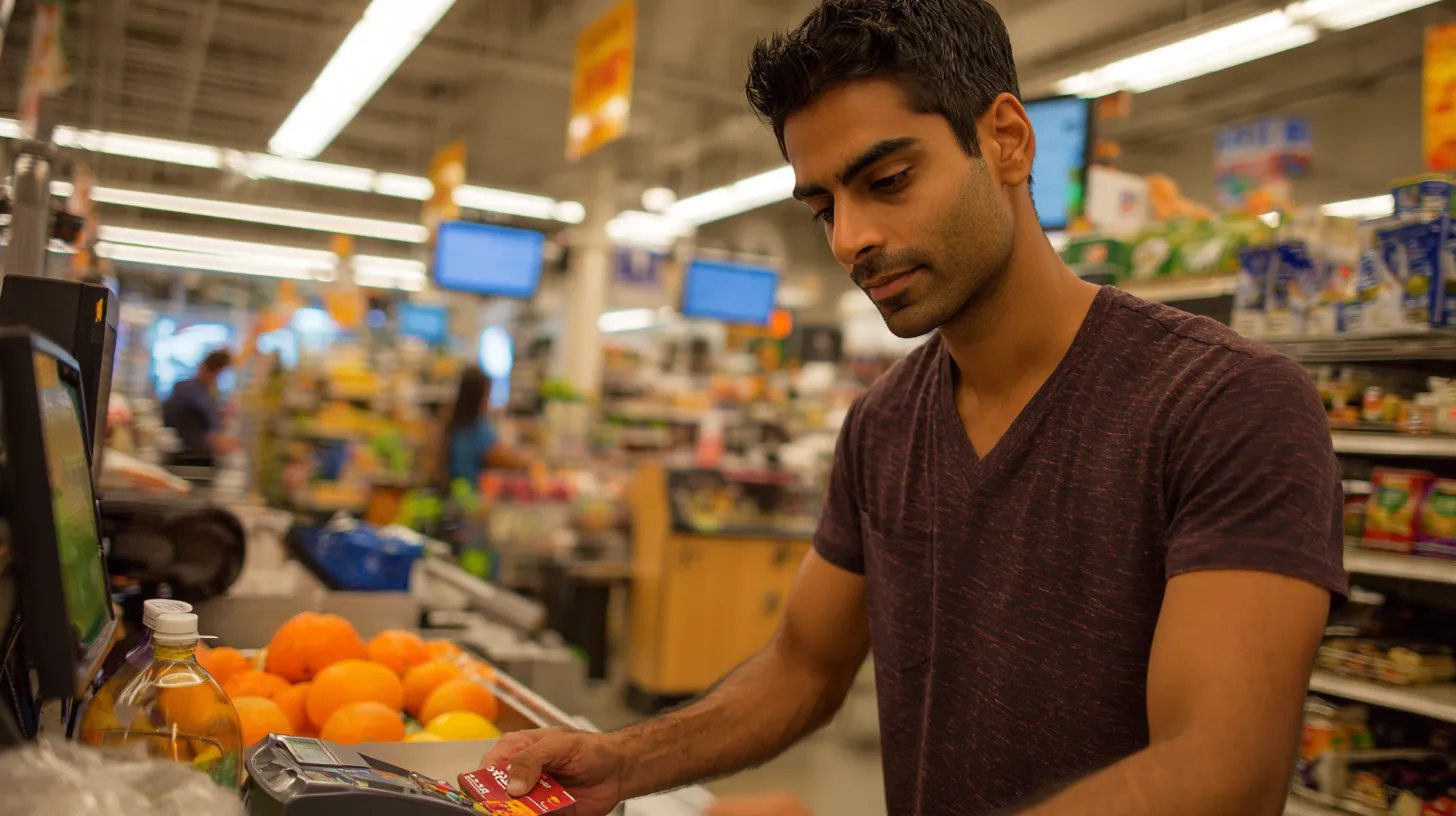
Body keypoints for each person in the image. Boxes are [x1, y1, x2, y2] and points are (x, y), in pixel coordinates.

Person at [483, 2, 1344, 815]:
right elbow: (804, 668)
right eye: (824, 206)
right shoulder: (884, 425)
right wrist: (624, 760)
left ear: (1005, 139)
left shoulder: (1224, 403)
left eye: (887, 180)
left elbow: (1223, 769)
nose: (850, 238)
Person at [441, 367, 529, 485]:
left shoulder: (454, 422)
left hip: (456, 491)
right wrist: (531, 463)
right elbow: (505, 459)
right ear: (480, 397)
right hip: (471, 494)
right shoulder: (476, 428)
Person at [161, 349, 237, 468]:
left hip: (204, 458)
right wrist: (208, 440)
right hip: (188, 460)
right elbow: (173, 424)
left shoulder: (207, 394)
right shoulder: (187, 391)